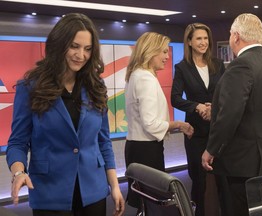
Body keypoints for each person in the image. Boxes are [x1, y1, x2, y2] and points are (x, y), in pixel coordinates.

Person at [6, 13, 125, 216]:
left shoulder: (96, 86)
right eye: (74, 46)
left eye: (88, 49)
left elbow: (103, 142)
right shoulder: (31, 87)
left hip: (93, 191)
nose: (81, 55)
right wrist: (19, 172)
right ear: (59, 44)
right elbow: (17, 142)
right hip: (49, 193)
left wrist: (114, 185)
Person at [202, 13, 262, 216]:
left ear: (236, 36)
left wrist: (210, 150)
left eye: (230, 35)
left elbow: (230, 116)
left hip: (243, 163)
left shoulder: (241, 65)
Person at [124, 32, 194, 215]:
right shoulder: (145, 79)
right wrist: (179, 124)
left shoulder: (136, 75)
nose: (167, 56)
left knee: (145, 205)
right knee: (154, 205)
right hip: (146, 152)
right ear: (150, 51)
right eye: (163, 52)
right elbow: (151, 124)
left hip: (136, 148)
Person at [171, 23, 231, 216]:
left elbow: (226, 93)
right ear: (189, 41)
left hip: (217, 132)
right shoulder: (182, 68)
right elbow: (175, 98)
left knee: (224, 182)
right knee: (198, 183)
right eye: (198, 38)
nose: (203, 42)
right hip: (195, 134)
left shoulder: (218, 64)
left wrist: (213, 107)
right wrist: (196, 106)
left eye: (206, 38)